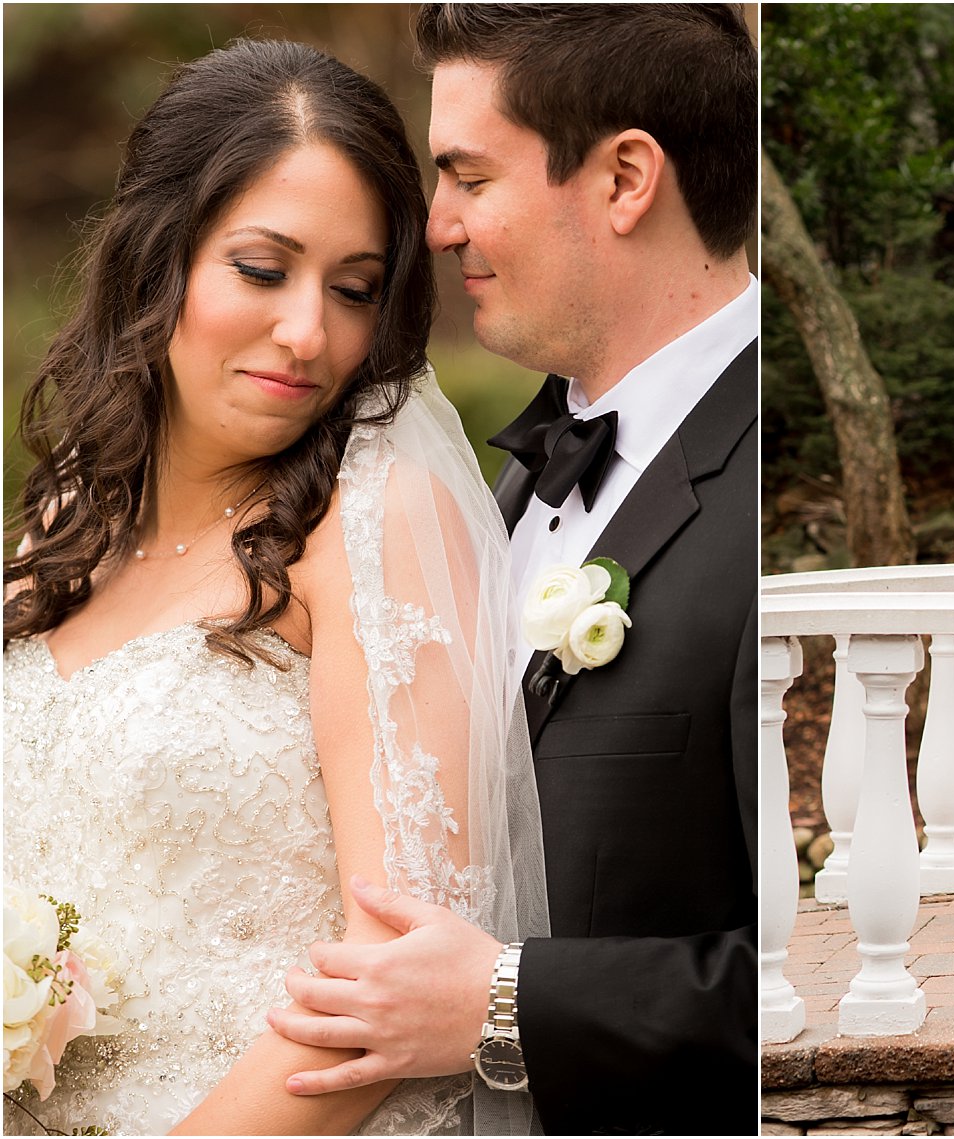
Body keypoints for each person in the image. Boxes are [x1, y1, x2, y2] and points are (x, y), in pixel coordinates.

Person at [2, 38, 546, 1135]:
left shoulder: (377, 521)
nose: (310, 335)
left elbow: (395, 969)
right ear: (159, 257)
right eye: (262, 269)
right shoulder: (59, 526)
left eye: (354, 290)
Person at [266, 6, 758, 1135]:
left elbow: (799, 968)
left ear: (626, 178)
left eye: (466, 176)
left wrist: (512, 1003)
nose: (433, 227)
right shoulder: (498, 484)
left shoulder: (752, 500)